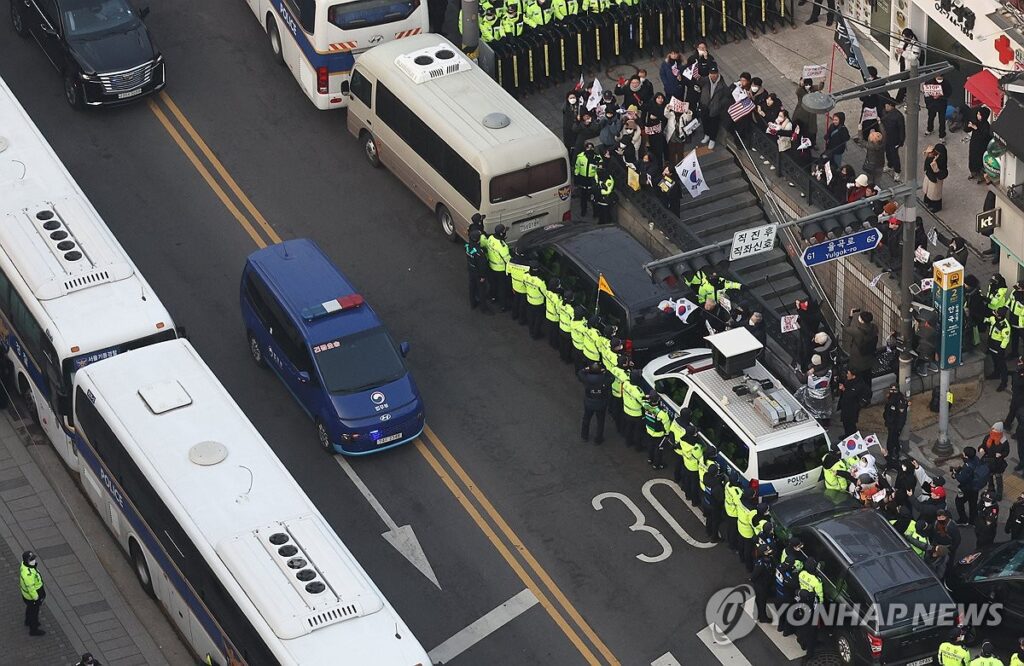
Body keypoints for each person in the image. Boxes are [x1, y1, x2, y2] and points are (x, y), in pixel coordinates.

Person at [954, 446, 990, 526]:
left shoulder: (967, 466)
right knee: (973, 504)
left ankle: (963, 519)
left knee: (959, 502)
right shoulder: (976, 459)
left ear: (966, 456)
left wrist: (955, 474)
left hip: (967, 488)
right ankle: (973, 520)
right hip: (975, 487)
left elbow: (962, 479)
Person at [577, 362, 611, 444]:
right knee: (600, 421)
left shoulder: (586, 379)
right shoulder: (603, 380)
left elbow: (580, 373)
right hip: (601, 403)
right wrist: (605, 371)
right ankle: (598, 439)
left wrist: (587, 369)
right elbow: (611, 377)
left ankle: (584, 436)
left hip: (589, 402)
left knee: (586, 419)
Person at [846, 310, 879, 394]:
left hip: (858, 361)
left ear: (862, 320)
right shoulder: (874, 328)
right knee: (867, 379)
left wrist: (850, 316)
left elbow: (845, 327)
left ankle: (860, 396)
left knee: (858, 381)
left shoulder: (857, 332)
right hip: (869, 359)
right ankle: (868, 395)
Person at [699, 65, 731, 150]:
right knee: (704, 121)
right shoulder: (705, 80)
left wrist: (719, 104)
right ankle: (707, 135)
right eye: (711, 73)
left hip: (715, 108)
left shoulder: (722, 85)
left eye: (715, 73)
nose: (713, 75)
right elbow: (698, 84)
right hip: (705, 105)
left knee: (714, 124)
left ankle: (712, 139)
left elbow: (727, 97)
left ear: (717, 74)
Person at [481, 224, 512, 311]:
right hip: (500, 269)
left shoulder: (491, 238)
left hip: (491, 266)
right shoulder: (502, 246)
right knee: (502, 288)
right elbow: (508, 260)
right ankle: (503, 306)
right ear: (502, 234)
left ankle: (492, 297)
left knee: (493, 284)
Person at [979, 422, 1010, 500]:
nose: (993, 431)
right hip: (988, 462)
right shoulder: (988, 437)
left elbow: (1006, 451)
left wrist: (1001, 455)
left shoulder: (1003, 441)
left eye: (996, 430)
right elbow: (983, 445)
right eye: (993, 429)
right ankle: (991, 489)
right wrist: (981, 448)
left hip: (997, 464)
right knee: (989, 477)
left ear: (1000, 432)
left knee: (998, 480)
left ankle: (999, 494)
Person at [642, 390, 671, 469]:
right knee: (659, 450)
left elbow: (643, 399)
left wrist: (648, 397)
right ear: (658, 399)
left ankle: (650, 459)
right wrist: (667, 434)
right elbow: (666, 425)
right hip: (659, 434)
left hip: (649, 430)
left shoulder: (645, 405)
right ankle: (656, 465)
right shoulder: (662, 413)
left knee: (650, 446)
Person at [20, 550, 46, 636]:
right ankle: (33, 630)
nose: (34, 561)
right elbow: (31, 588)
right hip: (32, 596)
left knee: (30, 609)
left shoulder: (25, 566)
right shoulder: (28, 575)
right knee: (34, 612)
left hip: (28, 595)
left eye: (33, 559)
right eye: (31, 560)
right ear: (27, 561)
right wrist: (36, 598)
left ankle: (27, 621)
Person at [883, 384, 908, 467]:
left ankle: (893, 456)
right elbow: (887, 410)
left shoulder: (900, 400)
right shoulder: (890, 397)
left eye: (894, 390)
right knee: (893, 440)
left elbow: (902, 415)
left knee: (891, 442)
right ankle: (893, 454)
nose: (892, 392)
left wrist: (899, 427)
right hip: (890, 424)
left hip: (895, 425)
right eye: (891, 390)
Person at [465, 229, 491, 312]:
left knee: (472, 287)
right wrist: (482, 276)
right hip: (478, 274)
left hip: (471, 270)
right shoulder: (479, 253)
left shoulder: (467, 246)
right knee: (481, 290)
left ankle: (473, 303)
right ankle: (484, 308)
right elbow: (482, 266)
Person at [986, 307, 1011, 391]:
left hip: (998, 348)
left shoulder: (1005, 326)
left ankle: (1004, 382)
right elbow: (989, 320)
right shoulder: (994, 318)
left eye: (996, 312)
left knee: (1002, 365)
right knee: (995, 361)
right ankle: (996, 374)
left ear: (999, 316)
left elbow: (1006, 339)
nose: (994, 312)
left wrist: (1001, 349)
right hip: (991, 345)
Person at [749, 541, 775, 623]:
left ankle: (757, 613)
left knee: (761, 600)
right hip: (761, 586)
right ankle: (762, 617)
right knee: (761, 602)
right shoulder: (760, 564)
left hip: (766, 583)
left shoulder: (768, 559)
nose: (769, 551)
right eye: (767, 551)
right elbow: (753, 577)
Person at [881, 98, 906, 182]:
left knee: (895, 156)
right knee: (887, 152)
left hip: (894, 139)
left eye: (887, 105)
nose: (885, 107)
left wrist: (901, 141)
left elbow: (902, 130)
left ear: (892, 106)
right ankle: (889, 165)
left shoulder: (898, 116)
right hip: (886, 138)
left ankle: (897, 171)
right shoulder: (884, 111)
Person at [621, 370, 645, 450]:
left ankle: (628, 442)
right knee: (638, 431)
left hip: (626, 410)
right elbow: (644, 404)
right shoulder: (639, 392)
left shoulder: (625, 384)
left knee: (629, 427)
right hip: (636, 414)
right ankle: (638, 447)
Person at [966, 107, 992, 182]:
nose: (978, 116)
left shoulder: (986, 126)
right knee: (972, 159)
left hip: (981, 148)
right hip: (974, 145)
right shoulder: (976, 122)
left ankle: (981, 177)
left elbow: (984, 136)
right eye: (977, 114)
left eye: (979, 114)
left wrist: (976, 128)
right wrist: (969, 126)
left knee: (980, 162)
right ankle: (973, 173)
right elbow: (967, 129)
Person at [838, 369, 866, 435]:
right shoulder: (848, 381)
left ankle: (853, 436)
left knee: (851, 424)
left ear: (853, 376)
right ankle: (847, 435)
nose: (847, 375)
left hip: (852, 407)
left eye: (848, 374)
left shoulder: (858, 384)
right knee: (845, 422)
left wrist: (844, 389)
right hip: (845, 405)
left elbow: (852, 395)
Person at [792, 79, 820, 147]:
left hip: (811, 113)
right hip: (802, 112)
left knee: (812, 129)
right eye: (806, 85)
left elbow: (819, 87)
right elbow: (797, 91)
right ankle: (799, 141)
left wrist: (822, 82)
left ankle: (813, 143)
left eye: (809, 85)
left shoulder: (812, 89)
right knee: (801, 128)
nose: (808, 86)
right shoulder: (801, 90)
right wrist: (800, 84)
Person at [922, 144, 948, 213]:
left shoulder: (942, 162)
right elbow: (927, 165)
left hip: (936, 180)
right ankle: (927, 201)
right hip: (929, 176)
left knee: (935, 194)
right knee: (928, 191)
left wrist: (936, 169)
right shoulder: (932, 156)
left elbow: (943, 174)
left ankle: (936, 207)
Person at [924, 73, 951, 138]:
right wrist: (927, 104)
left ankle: (942, 135)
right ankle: (929, 129)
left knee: (942, 121)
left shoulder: (946, 83)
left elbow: (948, 94)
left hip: (941, 105)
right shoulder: (929, 81)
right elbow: (926, 94)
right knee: (930, 118)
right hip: (932, 104)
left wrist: (940, 96)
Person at [704, 463, 726, 541]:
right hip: (714, 507)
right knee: (715, 522)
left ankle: (708, 531)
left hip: (706, 502)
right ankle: (714, 537)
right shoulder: (717, 487)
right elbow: (720, 499)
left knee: (708, 518)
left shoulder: (705, 477)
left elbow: (713, 481)